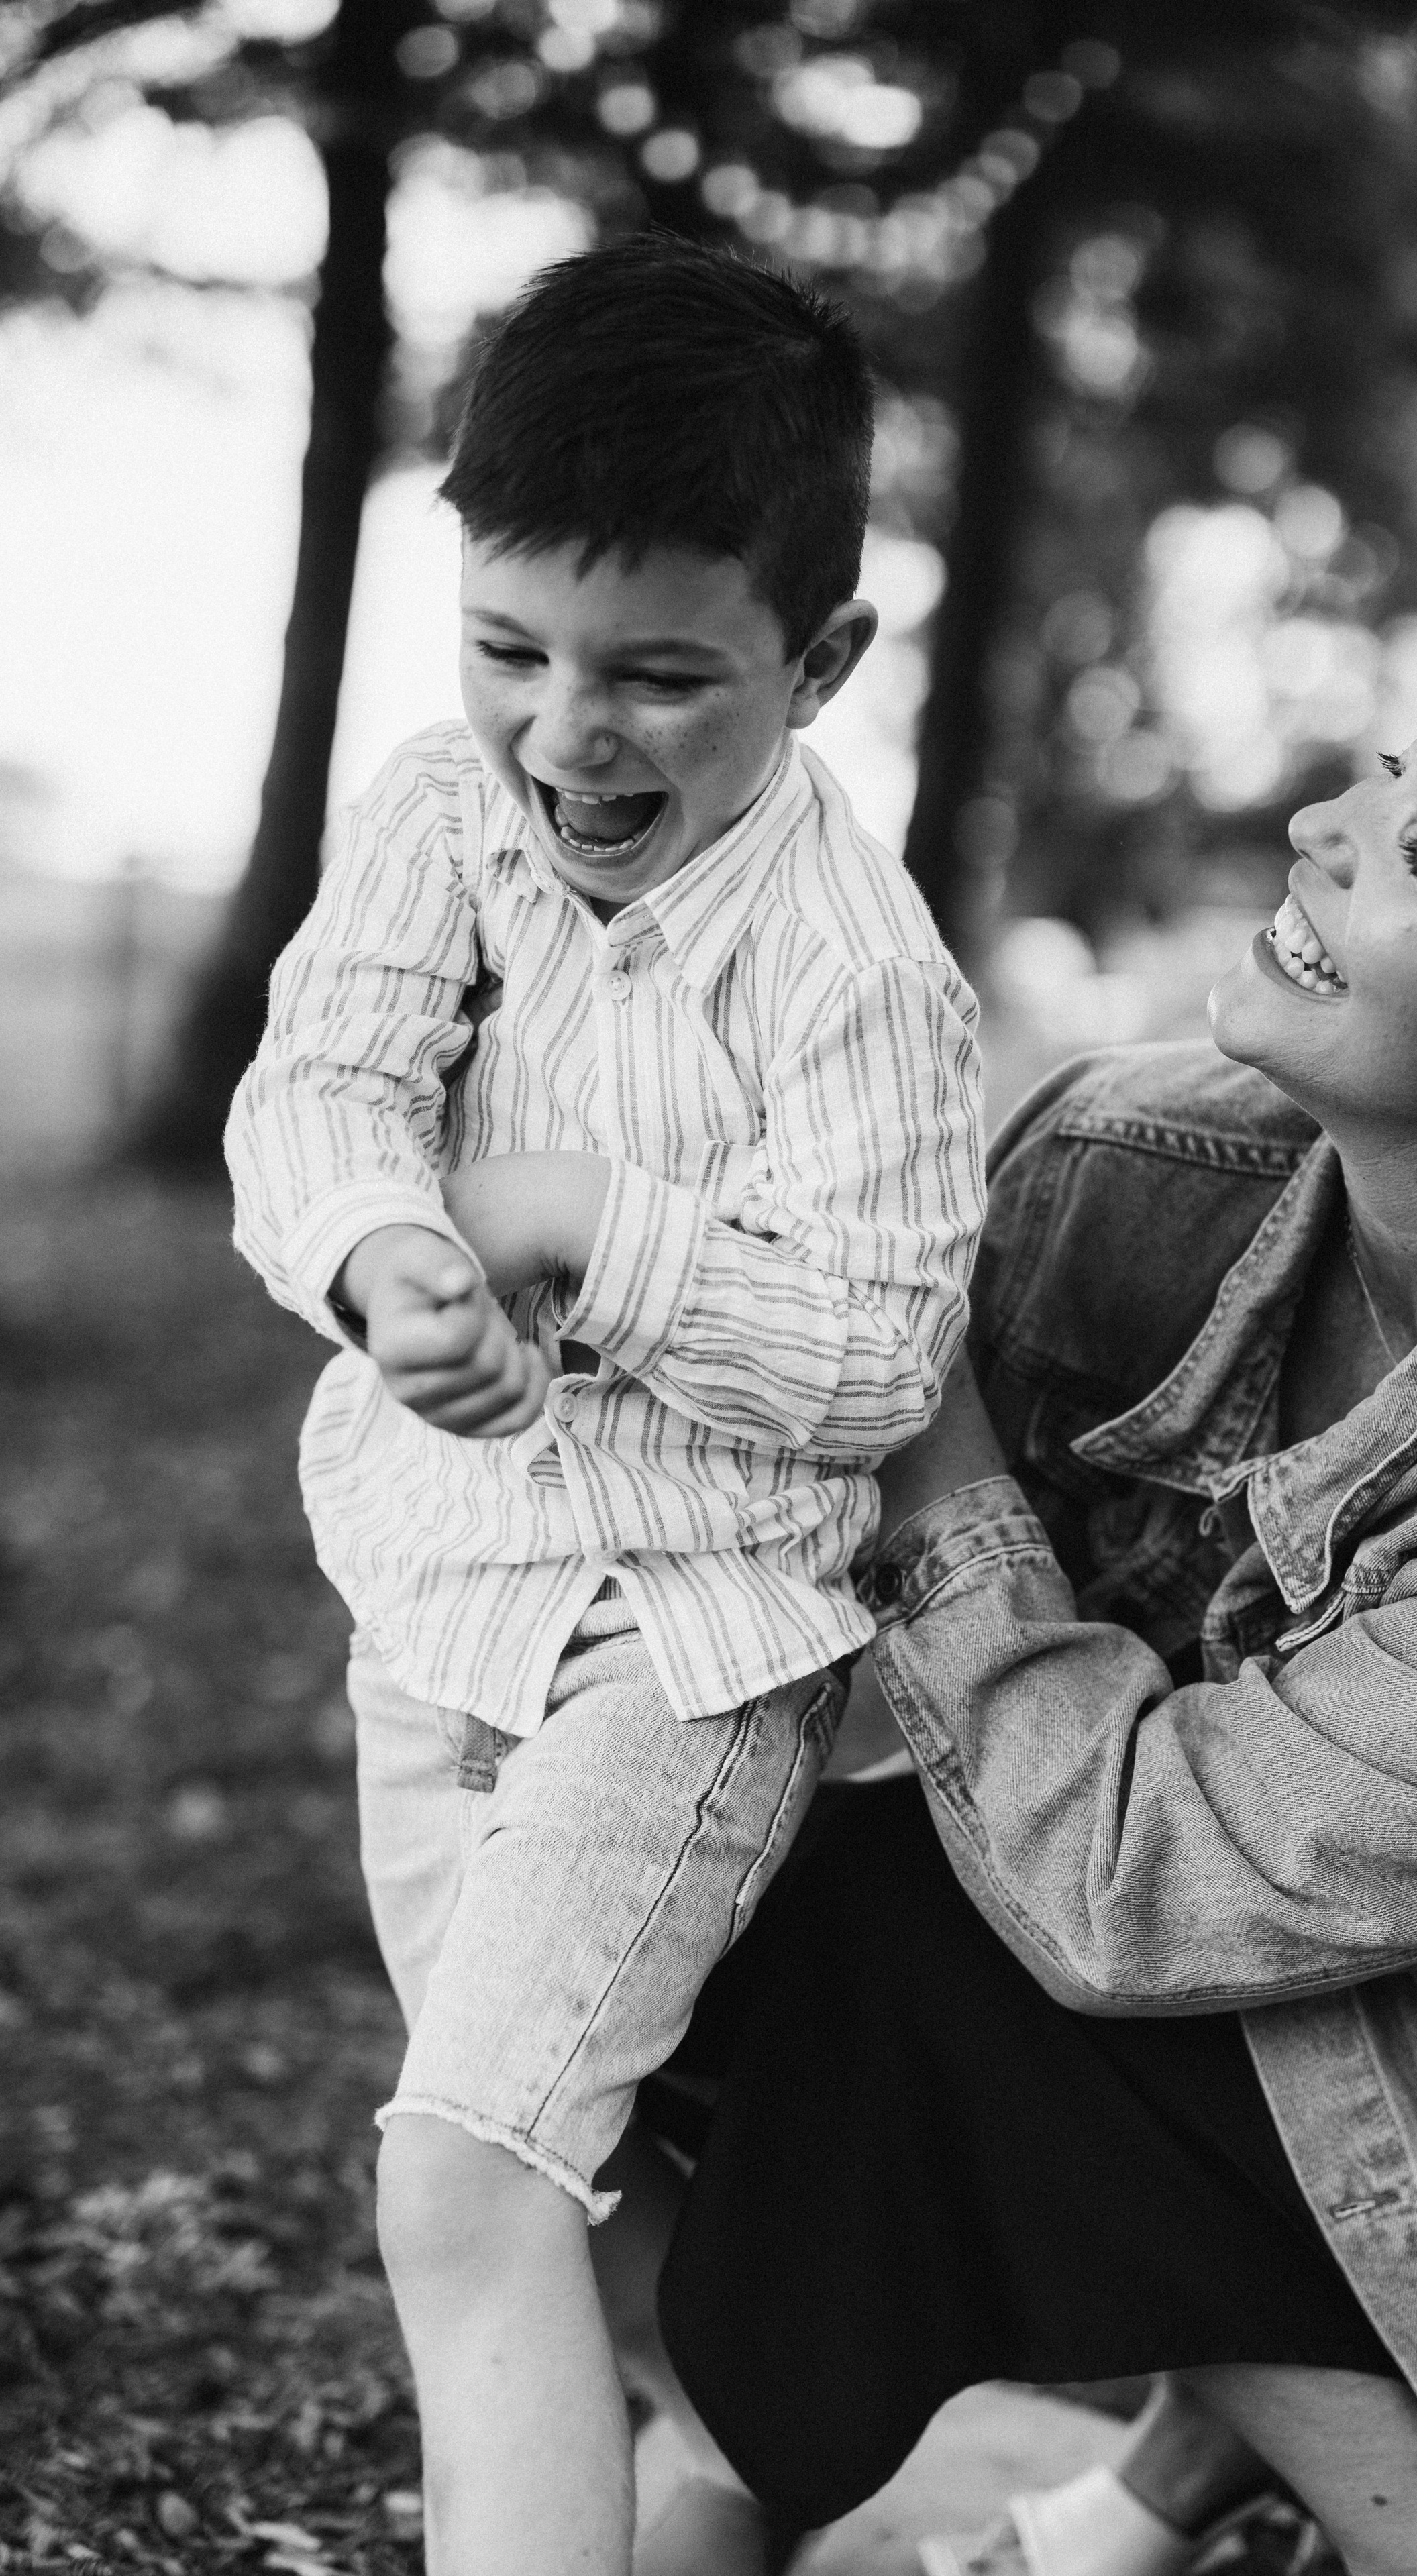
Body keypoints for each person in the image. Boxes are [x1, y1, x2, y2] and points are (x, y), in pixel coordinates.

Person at [606, 629, 1417, 2576]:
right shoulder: (1135, 1170)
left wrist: (902, 1394)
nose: (1315, 826)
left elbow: (1141, 1878)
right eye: (1389, 765)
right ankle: (967, 2486)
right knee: (676, 1917)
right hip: (1323, 1994)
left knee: (932, 1956)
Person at [223, 237, 986, 2576]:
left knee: (463, 2175)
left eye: (661, 676)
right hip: (434, 1628)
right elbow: (319, 1082)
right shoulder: (443, 813)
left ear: (822, 661)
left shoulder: (856, 969)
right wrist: (392, 1259)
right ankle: (717, 2489)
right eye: (512, 652)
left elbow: (875, 1352)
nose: (570, 734)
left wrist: (583, 1221)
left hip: (684, 1647)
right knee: (596, 2174)